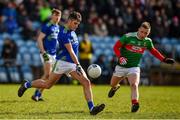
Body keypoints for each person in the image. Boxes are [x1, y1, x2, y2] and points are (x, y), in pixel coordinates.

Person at [18, 11, 105, 115]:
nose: (77, 26)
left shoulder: (73, 31)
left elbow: (74, 51)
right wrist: (78, 64)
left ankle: (92, 108)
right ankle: (27, 84)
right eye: (75, 23)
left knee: (86, 82)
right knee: (47, 84)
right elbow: (71, 51)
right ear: (69, 21)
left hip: (72, 64)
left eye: (78, 24)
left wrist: (76, 64)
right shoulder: (63, 33)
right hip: (62, 63)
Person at [108, 22, 175, 112]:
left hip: (134, 67)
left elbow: (153, 51)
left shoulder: (147, 41)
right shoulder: (128, 37)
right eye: (142, 32)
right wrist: (120, 57)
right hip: (121, 66)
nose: (143, 34)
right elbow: (116, 47)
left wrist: (164, 59)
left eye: (146, 33)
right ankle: (115, 87)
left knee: (134, 85)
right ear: (138, 30)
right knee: (112, 84)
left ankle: (135, 103)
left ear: (148, 33)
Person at [31, 8, 61, 101]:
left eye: (59, 15)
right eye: (55, 15)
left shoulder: (58, 27)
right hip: (46, 53)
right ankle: (35, 93)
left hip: (54, 54)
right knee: (47, 74)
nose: (57, 17)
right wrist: (43, 52)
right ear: (52, 16)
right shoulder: (47, 26)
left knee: (50, 77)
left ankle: (38, 94)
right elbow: (39, 39)